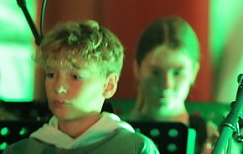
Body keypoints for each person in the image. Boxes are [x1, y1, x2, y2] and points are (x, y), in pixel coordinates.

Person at [7, 19, 158, 153]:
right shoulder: (22, 150)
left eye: (75, 77)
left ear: (108, 86)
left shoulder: (134, 148)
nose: (59, 87)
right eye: (51, 75)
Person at [126, 16, 219, 154]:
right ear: (137, 68)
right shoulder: (117, 132)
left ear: (194, 72)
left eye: (177, 73)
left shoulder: (209, 137)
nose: (167, 84)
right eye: (156, 72)